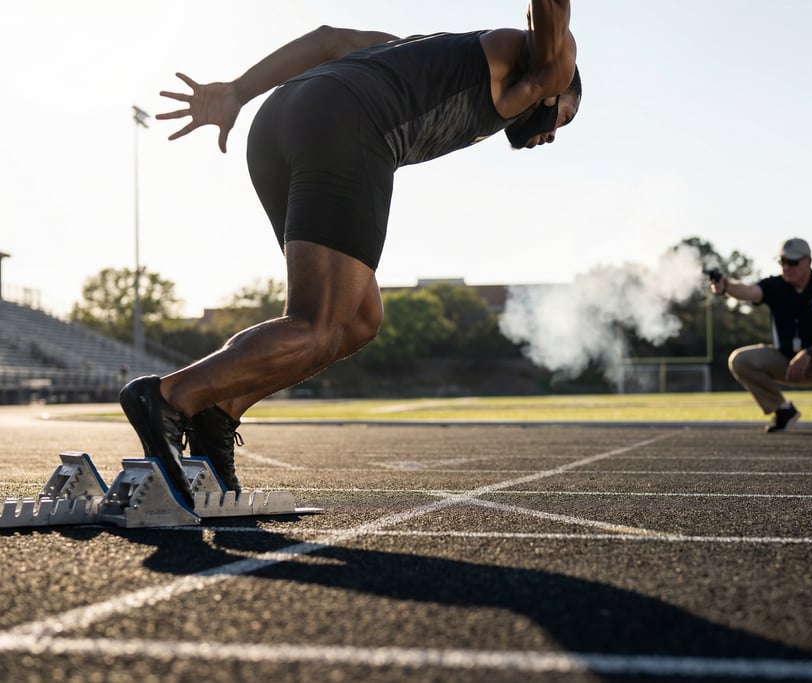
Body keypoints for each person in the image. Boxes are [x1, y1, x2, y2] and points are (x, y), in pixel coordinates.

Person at [118, 3, 582, 507]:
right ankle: (168, 399)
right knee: (317, 327)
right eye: (565, 117)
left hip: (277, 122)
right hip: (349, 125)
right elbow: (550, 13)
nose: (553, 134)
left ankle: (219, 410)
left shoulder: (411, 52)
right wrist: (551, 56)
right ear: (557, 84)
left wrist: (237, 91)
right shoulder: (546, 69)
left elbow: (327, 40)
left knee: (359, 320)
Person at [711, 238, 812, 436]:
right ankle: (783, 410)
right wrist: (726, 285)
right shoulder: (775, 285)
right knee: (740, 359)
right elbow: (748, 291)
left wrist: (809, 353)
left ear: (808, 261)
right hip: (784, 361)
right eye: (782, 262)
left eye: (792, 262)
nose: (786, 267)